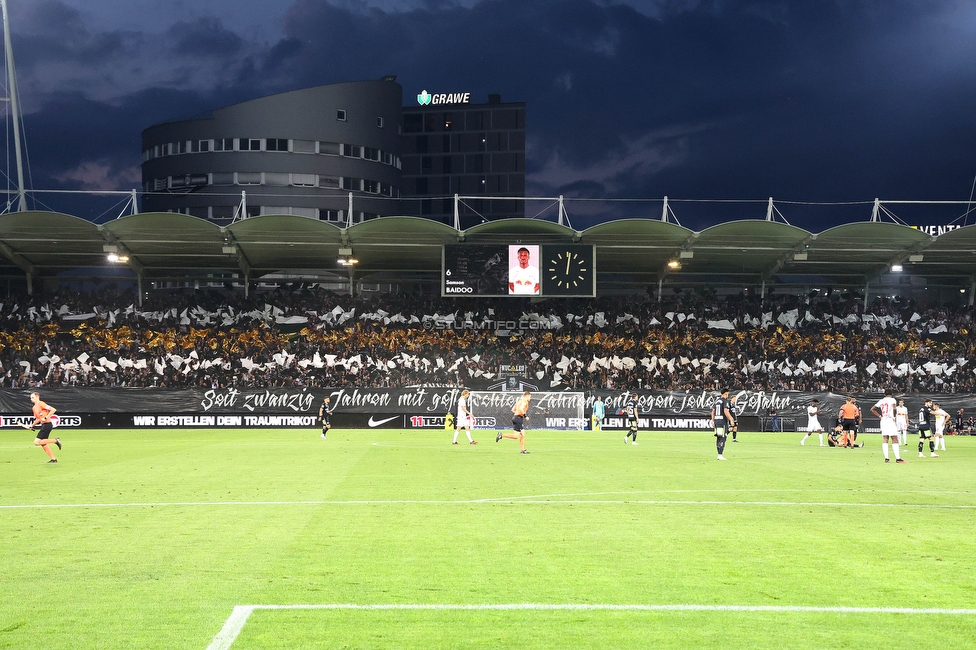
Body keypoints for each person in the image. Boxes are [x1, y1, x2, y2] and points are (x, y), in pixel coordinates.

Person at [870, 389, 906, 464]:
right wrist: (895, 417)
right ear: (891, 394)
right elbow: (895, 408)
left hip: (883, 420)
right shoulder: (893, 400)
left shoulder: (881, 401)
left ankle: (886, 458)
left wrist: (880, 416)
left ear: (884, 394)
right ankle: (898, 458)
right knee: (894, 438)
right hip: (890, 419)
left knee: (885, 438)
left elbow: (872, 409)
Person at [29, 391, 61, 463]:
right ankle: (53, 459)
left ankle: (56, 440)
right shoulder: (34, 408)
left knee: (36, 442)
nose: (31, 399)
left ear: (37, 397)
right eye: (31, 398)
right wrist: (32, 425)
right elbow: (38, 419)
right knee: (43, 443)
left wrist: (46, 417)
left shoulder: (41, 404)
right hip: (44, 425)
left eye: (33, 397)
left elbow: (53, 409)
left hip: (47, 425)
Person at [711, 388, 734, 460]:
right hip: (722, 421)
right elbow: (726, 411)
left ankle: (719, 454)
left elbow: (713, 411)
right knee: (723, 437)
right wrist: (731, 419)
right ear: (726, 393)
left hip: (717, 421)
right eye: (728, 394)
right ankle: (720, 454)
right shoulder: (725, 401)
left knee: (718, 437)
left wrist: (713, 420)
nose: (728, 395)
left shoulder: (717, 401)